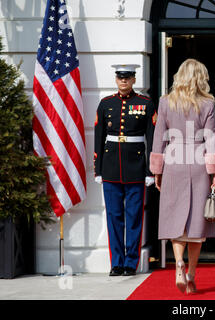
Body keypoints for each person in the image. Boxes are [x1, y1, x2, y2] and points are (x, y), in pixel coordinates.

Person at [149, 59, 215, 294]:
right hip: (199, 160)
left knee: (175, 216)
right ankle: (191, 273)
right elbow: (212, 138)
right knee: (196, 223)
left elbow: (159, 136)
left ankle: (178, 263)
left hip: (173, 160)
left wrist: (156, 170)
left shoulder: (165, 102)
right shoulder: (208, 103)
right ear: (201, 77)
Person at [94, 64, 156, 276]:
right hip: (111, 167)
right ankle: (117, 262)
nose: (123, 81)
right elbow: (99, 137)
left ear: (133, 80)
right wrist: (98, 169)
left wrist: (150, 171)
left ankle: (131, 263)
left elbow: (152, 138)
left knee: (134, 217)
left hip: (136, 167)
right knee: (114, 216)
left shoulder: (145, 103)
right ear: (116, 79)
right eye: (120, 78)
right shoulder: (105, 104)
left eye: (127, 78)